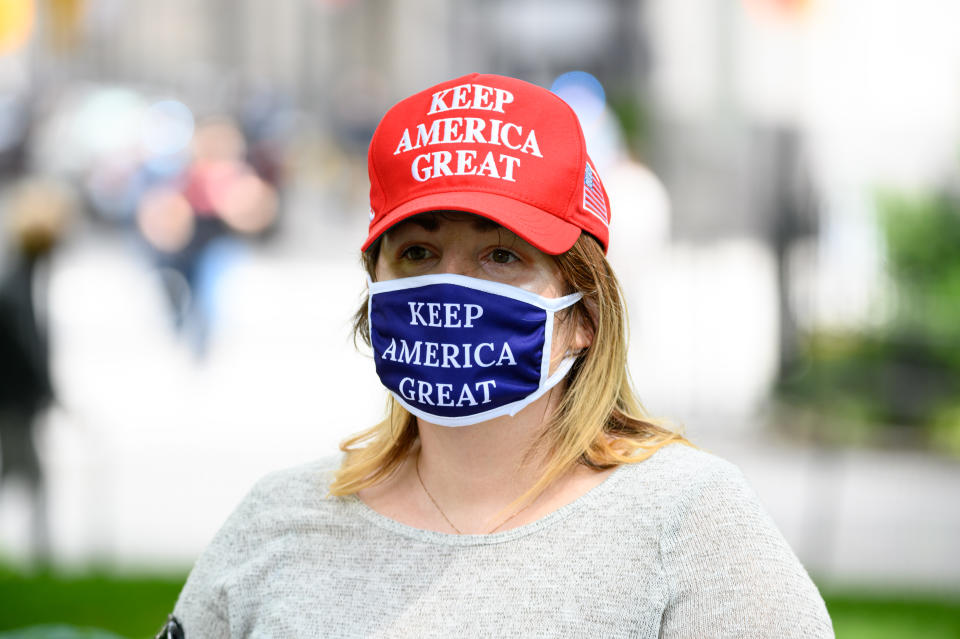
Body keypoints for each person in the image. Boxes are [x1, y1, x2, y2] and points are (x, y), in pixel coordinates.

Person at [166, 73, 834, 638]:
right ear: (375, 286)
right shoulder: (278, 521)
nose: (453, 286)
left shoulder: (690, 524)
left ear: (585, 316)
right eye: (418, 253)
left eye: (503, 256)